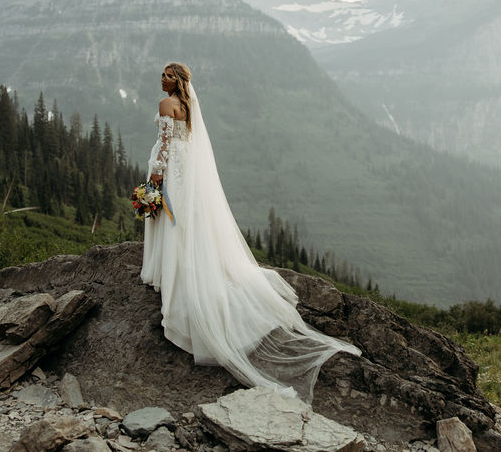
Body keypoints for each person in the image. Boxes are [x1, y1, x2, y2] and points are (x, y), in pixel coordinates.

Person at [141, 62, 360, 402]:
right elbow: (188, 141)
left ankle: (170, 272)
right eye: (162, 75)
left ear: (178, 81)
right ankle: (181, 265)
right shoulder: (188, 106)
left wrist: (155, 177)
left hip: (173, 170)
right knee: (182, 222)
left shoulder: (165, 104)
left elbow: (166, 144)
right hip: (188, 171)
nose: (162, 79)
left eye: (168, 76)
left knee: (171, 218)